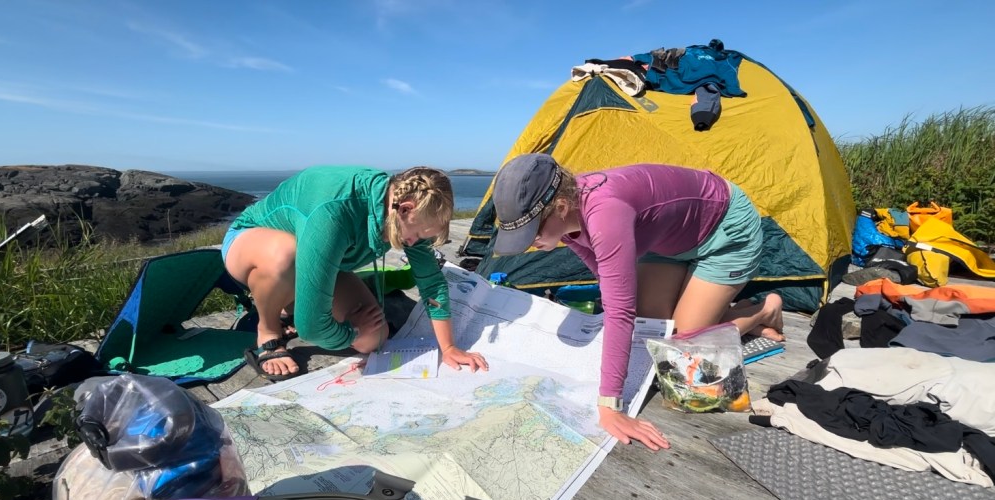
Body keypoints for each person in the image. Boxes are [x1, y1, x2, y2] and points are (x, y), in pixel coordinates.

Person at [491, 154, 783, 451]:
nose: (530, 242)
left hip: (725, 232)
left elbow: (620, 311)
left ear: (561, 208)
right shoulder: (566, 215)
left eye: (532, 232)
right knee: (655, 328)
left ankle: (764, 311)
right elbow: (607, 281)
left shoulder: (606, 214)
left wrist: (610, 406)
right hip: (667, 239)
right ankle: (715, 306)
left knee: (682, 348)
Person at [222, 165, 488, 380]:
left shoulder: (406, 211)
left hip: (318, 262)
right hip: (250, 245)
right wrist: (349, 333)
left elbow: (431, 283)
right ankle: (268, 330)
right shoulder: (334, 212)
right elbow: (312, 327)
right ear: (405, 208)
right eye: (416, 234)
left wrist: (449, 348)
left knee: (374, 337)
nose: (414, 242)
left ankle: (289, 306)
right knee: (286, 254)